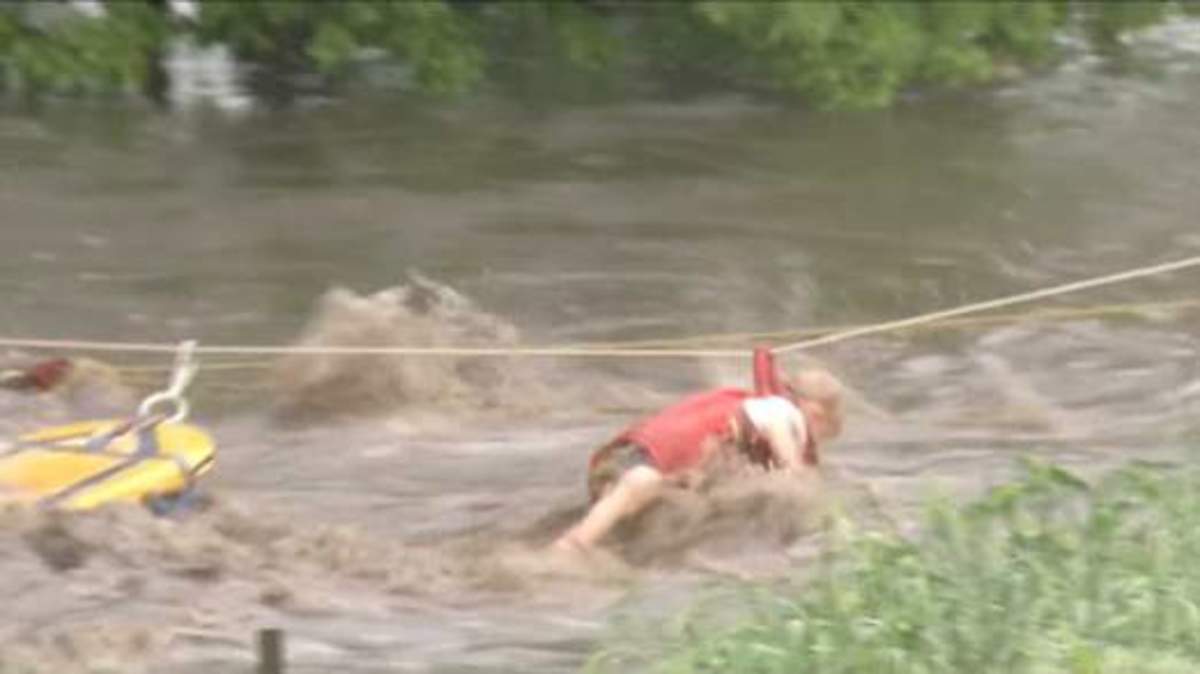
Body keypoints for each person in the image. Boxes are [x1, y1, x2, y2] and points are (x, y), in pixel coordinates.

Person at [553, 347, 844, 553]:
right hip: (639, 466)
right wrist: (797, 471)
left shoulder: (752, 403)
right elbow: (785, 452)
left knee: (653, 497)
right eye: (821, 433)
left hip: (621, 460)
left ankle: (599, 539)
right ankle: (572, 546)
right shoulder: (780, 410)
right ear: (816, 413)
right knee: (643, 482)